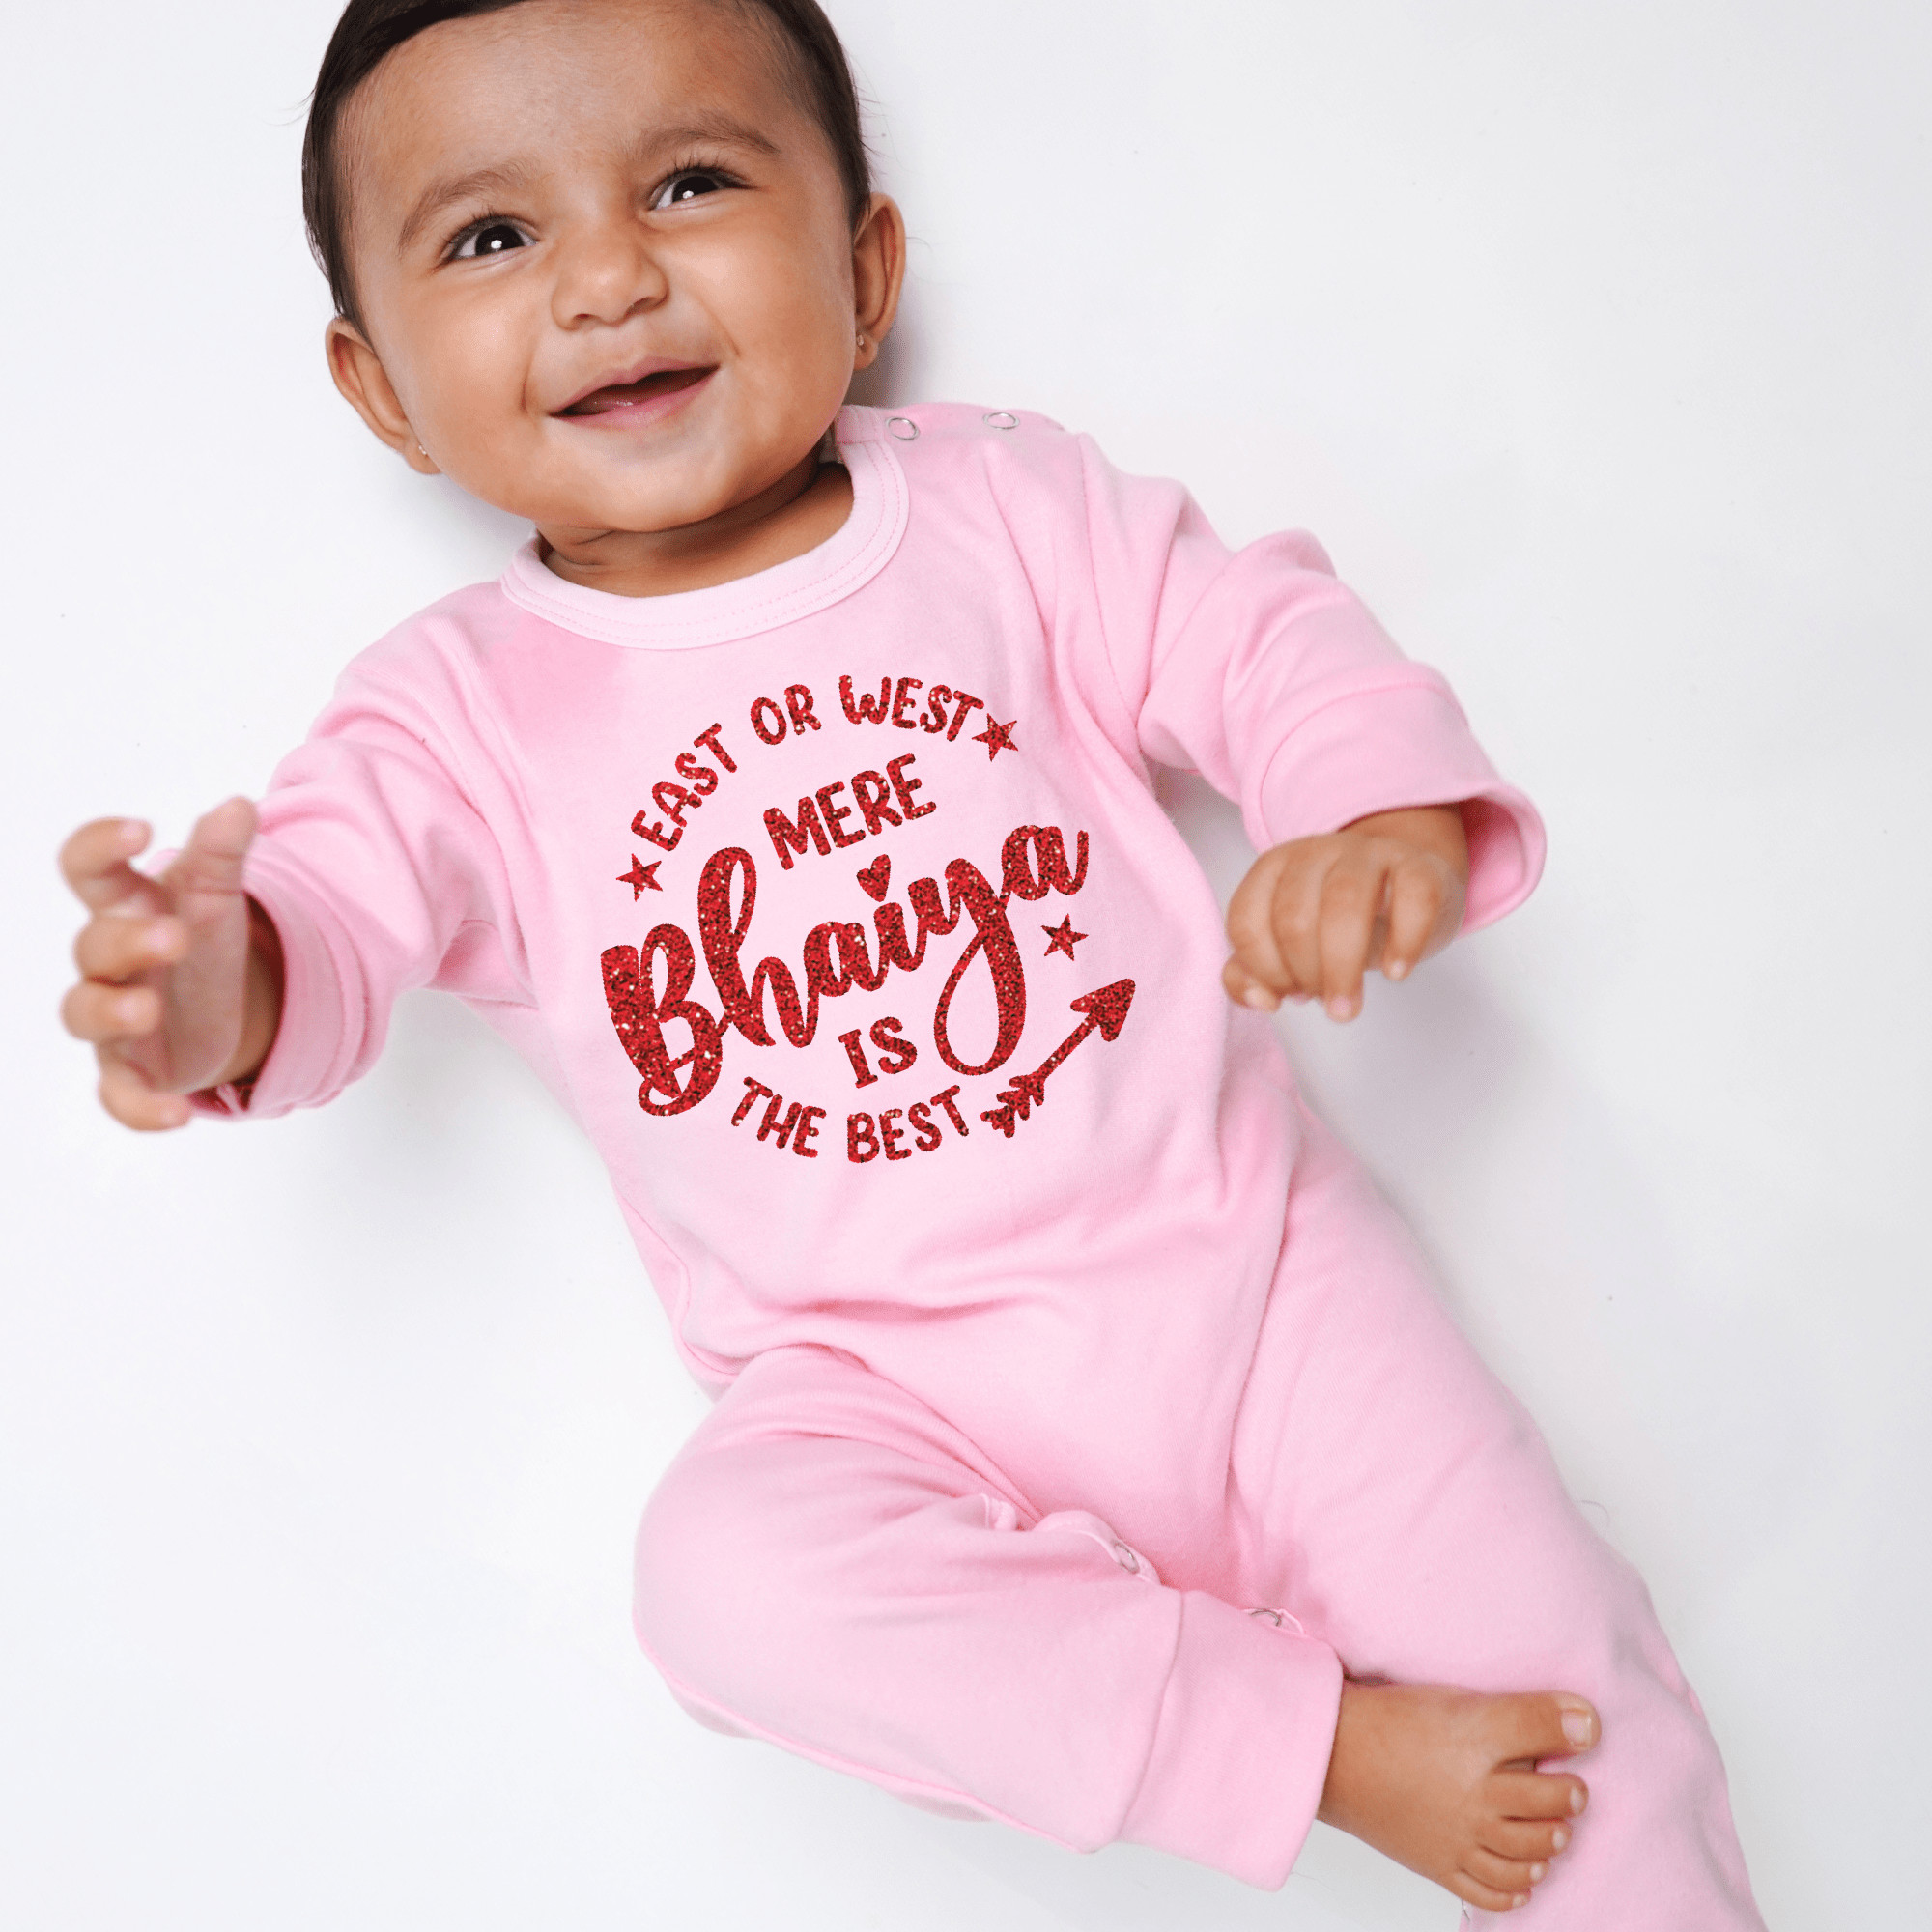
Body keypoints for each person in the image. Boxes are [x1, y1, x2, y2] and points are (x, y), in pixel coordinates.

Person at [55, 1, 1764, 1921]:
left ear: (864, 270)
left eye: (690, 184)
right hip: (888, 1393)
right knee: (721, 1580)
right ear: (379, 389)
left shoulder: (1006, 511)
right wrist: (219, 986)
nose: (608, 279)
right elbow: (331, 913)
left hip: (1264, 1284)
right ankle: (1304, 1748)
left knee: (1578, 1709)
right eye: (492, 234)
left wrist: (1367, 810)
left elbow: (1247, 631)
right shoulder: (453, 717)